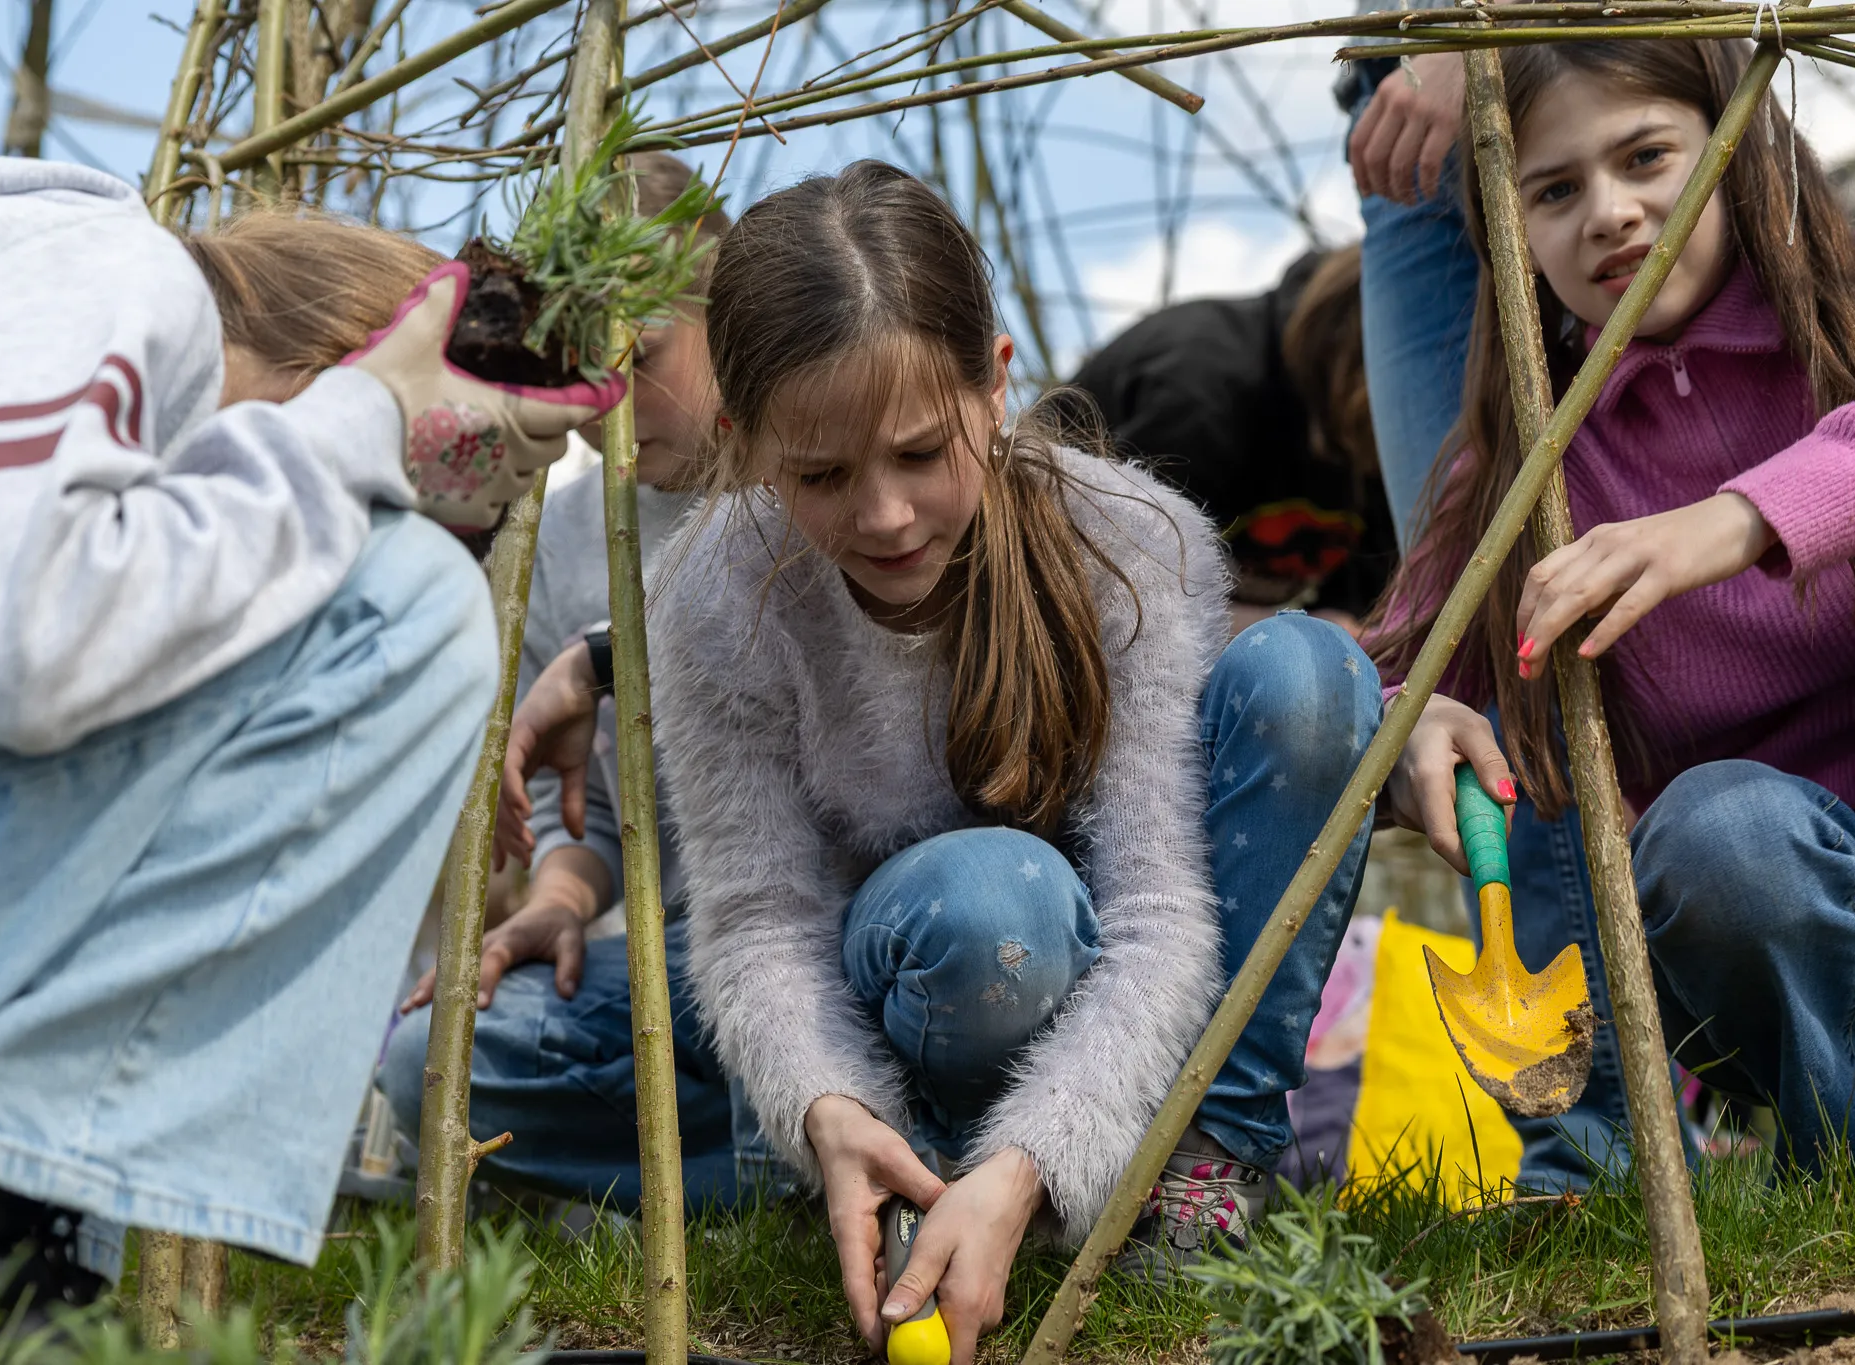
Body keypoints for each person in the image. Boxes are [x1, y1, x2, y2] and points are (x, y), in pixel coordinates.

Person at [0, 127, 617, 1350]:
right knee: (407, 606)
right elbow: (28, 649)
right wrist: (360, 432)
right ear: (338, 355)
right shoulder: (108, 268)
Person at [642, 161, 1390, 1363]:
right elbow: (756, 920)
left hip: (1105, 1021)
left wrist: (1036, 1160)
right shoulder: (710, 596)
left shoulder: (1130, 544)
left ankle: (1191, 1176)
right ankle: (910, 1184)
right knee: (993, 904)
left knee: (1312, 676)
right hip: (909, 1001)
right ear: (743, 444)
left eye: (919, 453)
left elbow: (1157, 908)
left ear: (992, 389)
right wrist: (831, 1112)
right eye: (821, 477)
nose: (883, 517)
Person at [1367, 37, 1855, 1186]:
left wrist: (1739, 518)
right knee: (1718, 833)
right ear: (1505, 235)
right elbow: (1381, 673)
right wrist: (1406, 726)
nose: (1608, 214)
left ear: (1734, 142)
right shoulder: (1527, 466)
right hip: (1747, 923)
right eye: (1552, 191)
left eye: (1646, 156)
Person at [377, 157, 759, 1212]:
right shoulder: (569, 531)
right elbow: (579, 800)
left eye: (642, 353)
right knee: (429, 1066)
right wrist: (556, 898)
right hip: (679, 971)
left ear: (728, 313)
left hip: (831, 930)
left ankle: (722, 1182)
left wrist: (599, 654)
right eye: (580, 371)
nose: (608, 405)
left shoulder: (813, 474)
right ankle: (752, 1188)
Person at [1345, 31, 1633, 1191]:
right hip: (1402, 139)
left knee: (1577, 606)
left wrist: (1489, 33)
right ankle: (1580, 1149)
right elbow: (1417, 637)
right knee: (1495, 626)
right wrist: (1383, 701)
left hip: (1564, 67)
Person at [1060, 246, 1398, 632]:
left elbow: (1362, 608)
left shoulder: (1374, 436)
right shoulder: (1202, 391)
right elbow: (1123, 589)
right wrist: (1288, 633)